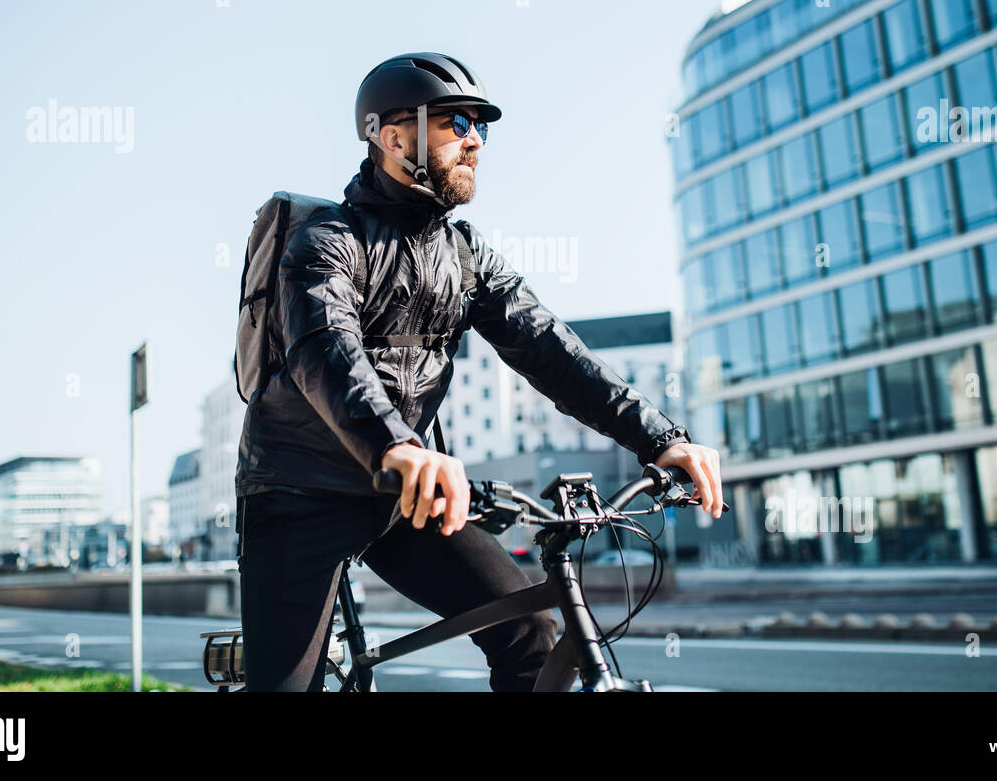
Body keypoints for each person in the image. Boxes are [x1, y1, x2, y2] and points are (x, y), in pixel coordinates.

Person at [234, 50, 724, 691]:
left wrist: (662, 438)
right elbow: (326, 354)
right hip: (298, 491)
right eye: (454, 123)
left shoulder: (466, 258)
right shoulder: (326, 242)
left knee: (530, 633)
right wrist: (400, 448)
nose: (474, 141)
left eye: (480, 127)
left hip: (399, 498)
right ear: (392, 136)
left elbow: (553, 352)